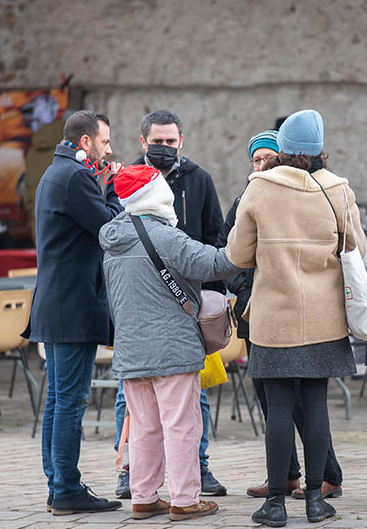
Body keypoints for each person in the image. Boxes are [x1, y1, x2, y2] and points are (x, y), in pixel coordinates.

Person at [226, 109, 365, 527]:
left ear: (282, 148)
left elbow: (236, 255)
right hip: (325, 318)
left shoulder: (260, 188)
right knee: (317, 404)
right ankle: (316, 501)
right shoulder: (339, 190)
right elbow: (353, 244)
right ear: (320, 148)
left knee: (281, 407)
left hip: (274, 317)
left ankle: (275, 503)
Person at [100, 164, 240, 522]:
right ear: (156, 194)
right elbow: (216, 263)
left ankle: (143, 496)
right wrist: (244, 234)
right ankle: (185, 498)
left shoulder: (113, 238)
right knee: (182, 425)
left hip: (131, 351)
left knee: (144, 426)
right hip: (173, 349)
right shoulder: (165, 236)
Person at [27, 110, 123, 516]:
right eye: (104, 143)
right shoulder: (75, 177)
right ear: (85, 142)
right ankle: (66, 488)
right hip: (72, 305)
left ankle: (58, 484)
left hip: (58, 302)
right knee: (70, 400)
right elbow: (111, 229)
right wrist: (115, 186)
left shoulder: (56, 172)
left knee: (58, 400)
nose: (109, 150)